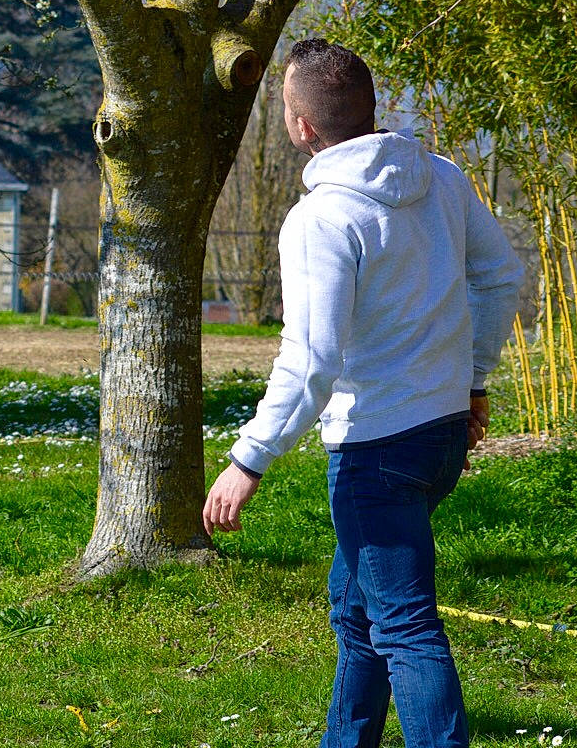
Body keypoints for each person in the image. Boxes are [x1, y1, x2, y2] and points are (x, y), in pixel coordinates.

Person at [202, 38, 524, 748]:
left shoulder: (320, 219)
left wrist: (248, 460)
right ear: (369, 107)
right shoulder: (443, 177)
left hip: (377, 451)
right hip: (442, 432)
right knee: (356, 611)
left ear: (301, 125)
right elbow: (502, 277)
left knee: (405, 625)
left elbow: (310, 360)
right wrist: (473, 381)